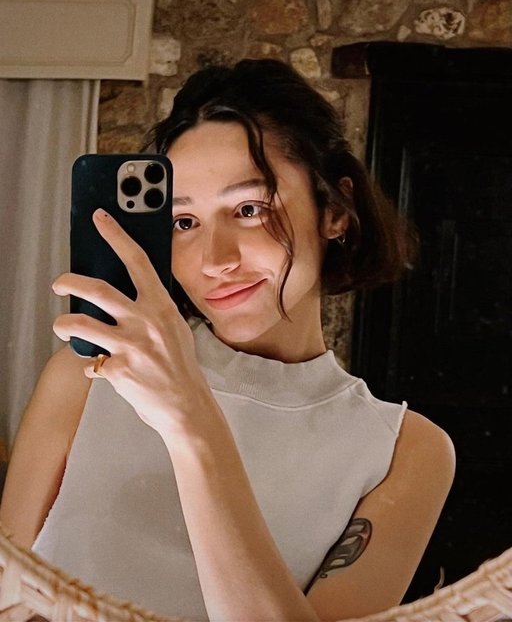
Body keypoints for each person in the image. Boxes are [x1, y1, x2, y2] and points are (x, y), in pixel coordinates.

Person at [0, 59, 455, 621]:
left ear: (335, 211)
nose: (214, 260)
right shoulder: (86, 379)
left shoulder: (403, 451)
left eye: (248, 209)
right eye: (184, 222)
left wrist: (192, 423)